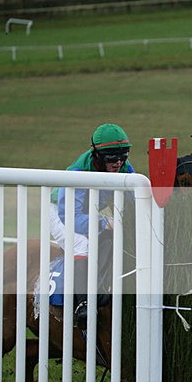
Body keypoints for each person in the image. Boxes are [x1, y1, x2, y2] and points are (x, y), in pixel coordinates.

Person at [49, 123, 135, 326]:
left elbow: (134, 202)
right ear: (96, 154)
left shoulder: (125, 168)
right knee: (81, 244)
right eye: (112, 158)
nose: (118, 162)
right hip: (62, 213)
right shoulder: (78, 172)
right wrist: (103, 222)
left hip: (85, 213)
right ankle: (82, 304)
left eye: (123, 155)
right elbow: (71, 218)